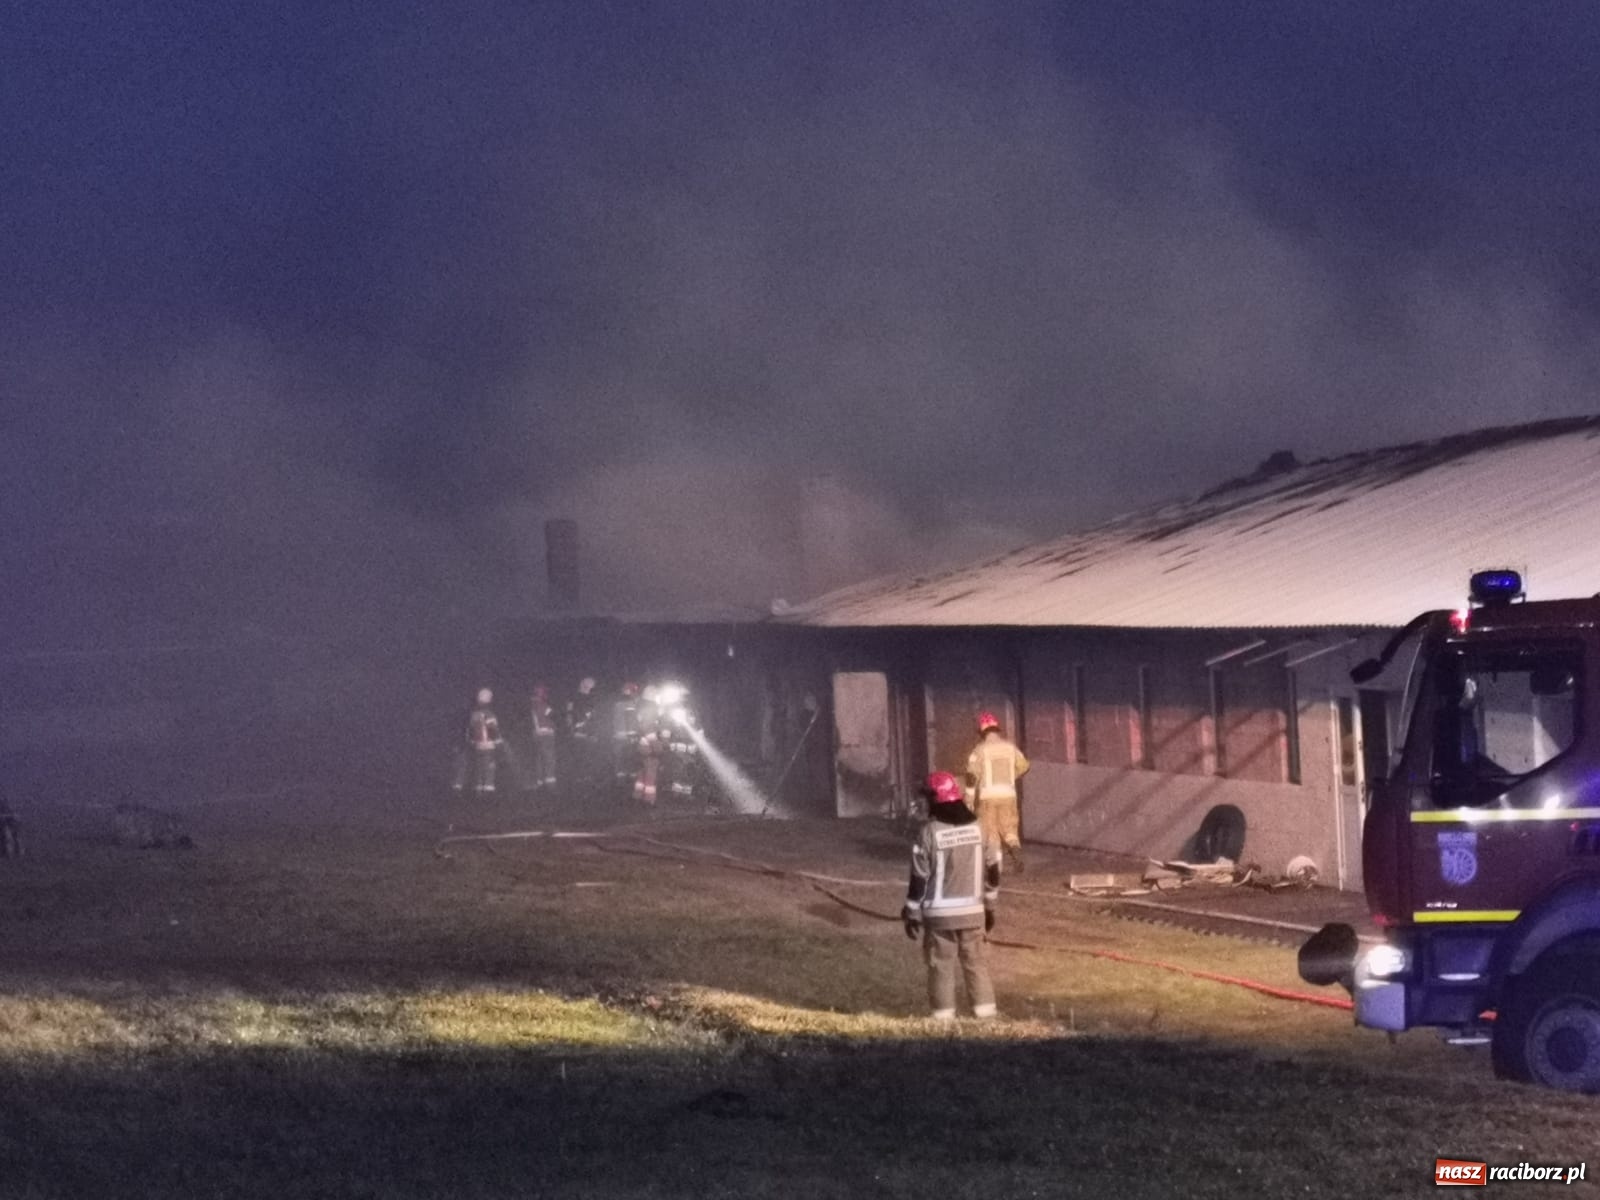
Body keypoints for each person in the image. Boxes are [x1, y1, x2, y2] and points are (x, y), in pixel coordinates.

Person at [903, 770, 1001, 1021]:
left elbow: (919, 878)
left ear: (936, 799)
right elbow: (993, 871)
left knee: (941, 966)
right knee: (977, 965)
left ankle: (943, 1020)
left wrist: (912, 912)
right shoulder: (982, 829)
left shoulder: (928, 833)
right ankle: (986, 1017)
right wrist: (989, 908)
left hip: (939, 918)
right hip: (973, 914)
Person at [965, 711, 1030, 871]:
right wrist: (1010, 776)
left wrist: (969, 798)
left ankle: (995, 866)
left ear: (982, 732)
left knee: (990, 830)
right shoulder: (1010, 747)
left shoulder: (979, 750)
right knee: (1009, 829)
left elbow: (972, 776)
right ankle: (1015, 849)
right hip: (1008, 794)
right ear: (997, 729)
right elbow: (1024, 765)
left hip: (988, 797)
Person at [452, 688, 503, 796]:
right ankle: (488, 789)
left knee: (479, 767)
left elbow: (470, 730)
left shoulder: (474, 714)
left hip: (477, 745)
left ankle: (479, 789)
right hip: (489, 745)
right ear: (489, 700)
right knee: (489, 767)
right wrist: (499, 743)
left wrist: (472, 742)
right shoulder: (489, 714)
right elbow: (493, 729)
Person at [530, 684, 559, 792]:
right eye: (545, 693)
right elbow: (553, 716)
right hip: (546, 734)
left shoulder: (533, 705)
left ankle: (539, 781)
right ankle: (550, 783)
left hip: (537, 735)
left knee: (539, 758)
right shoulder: (543, 705)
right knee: (549, 758)